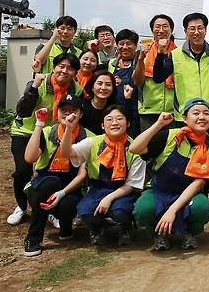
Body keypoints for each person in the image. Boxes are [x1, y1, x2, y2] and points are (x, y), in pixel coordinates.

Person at [131, 98, 209, 251]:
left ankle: (190, 233)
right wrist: (158, 124)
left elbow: (198, 183)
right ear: (185, 119)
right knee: (143, 209)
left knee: (202, 207)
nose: (202, 117)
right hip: (159, 190)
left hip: (189, 194)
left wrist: (172, 210)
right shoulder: (170, 136)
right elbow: (135, 148)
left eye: (206, 113)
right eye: (196, 113)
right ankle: (159, 235)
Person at [8, 53, 81, 226]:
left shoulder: (75, 89)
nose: (64, 71)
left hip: (52, 133)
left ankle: (49, 208)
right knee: (23, 170)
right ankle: (21, 206)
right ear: (54, 67)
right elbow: (23, 111)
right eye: (61, 66)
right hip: (26, 130)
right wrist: (33, 87)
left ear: (75, 72)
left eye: (70, 68)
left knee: (53, 173)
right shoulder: (40, 82)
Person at [60, 105, 145, 246]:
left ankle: (126, 227)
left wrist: (108, 198)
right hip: (98, 188)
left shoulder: (135, 147)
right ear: (102, 125)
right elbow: (66, 153)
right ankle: (98, 228)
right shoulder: (93, 142)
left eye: (120, 119)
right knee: (84, 211)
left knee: (119, 211)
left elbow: (132, 184)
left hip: (124, 190)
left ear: (128, 123)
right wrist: (68, 128)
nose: (115, 123)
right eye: (109, 119)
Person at [22, 94, 90, 256]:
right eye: (63, 110)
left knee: (67, 204)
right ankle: (33, 238)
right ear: (58, 112)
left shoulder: (88, 137)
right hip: (41, 186)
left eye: (73, 110)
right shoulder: (47, 132)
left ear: (81, 113)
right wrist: (39, 124)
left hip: (70, 187)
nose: (68, 114)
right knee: (49, 184)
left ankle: (66, 226)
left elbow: (83, 174)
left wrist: (62, 193)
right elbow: (29, 158)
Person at [153, 12, 209, 142]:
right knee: (186, 157)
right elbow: (158, 78)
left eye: (200, 28)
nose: (196, 32)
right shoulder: (175, 55)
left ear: (205, 30)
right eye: (192, 28)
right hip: (185, 116)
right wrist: (160, 54)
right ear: (186, 32)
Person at [133, 14, 177, 132]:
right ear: (152, 30)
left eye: (165, 26)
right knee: (149, 147)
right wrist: (141, 59)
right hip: (149, 111)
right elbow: (137, 81)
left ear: (171, 30)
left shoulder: (179, 53)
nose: (161, 30)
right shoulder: (143, 52)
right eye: (157, 27)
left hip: (173, 112)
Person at [107, 29, 141, 137]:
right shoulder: (111, 64)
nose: (125, 47)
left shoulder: (141, 62)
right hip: (116, 111)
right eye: (121, 44)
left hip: (135, 111)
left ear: (136, 46)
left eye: (129, 44)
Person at [80, 70, 117, 135]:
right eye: (99, 84)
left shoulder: (115, 109)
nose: (103, 88)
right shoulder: (82, 106)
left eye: (108, 85)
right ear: (92, 87)